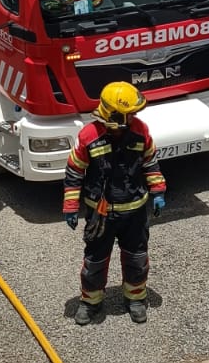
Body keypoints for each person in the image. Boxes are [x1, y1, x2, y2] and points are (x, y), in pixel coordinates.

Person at [63, 81, 166, 325]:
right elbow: (74, 172)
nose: (133, 117)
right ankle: (91, 301)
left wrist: (158, 190)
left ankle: (135, 298)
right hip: (101, 215)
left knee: (137, 257)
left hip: (134, 212)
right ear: (114, 115)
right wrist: (70, 206)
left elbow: (150, 163)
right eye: (129, 114)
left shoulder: (140, 131)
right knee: (95, 260)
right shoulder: (88, 136)